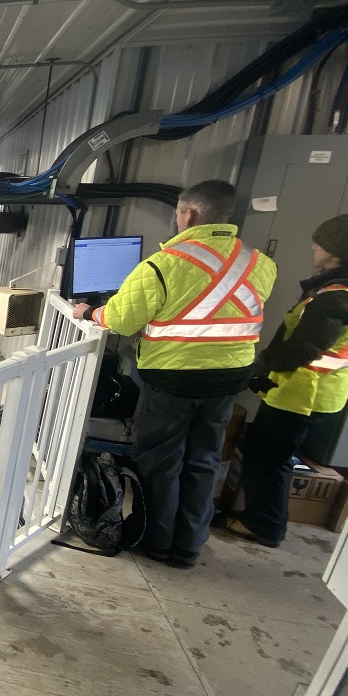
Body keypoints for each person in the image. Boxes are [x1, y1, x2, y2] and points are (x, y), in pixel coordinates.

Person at [73, 180, 276, 568]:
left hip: (173, 377)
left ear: (189, 214)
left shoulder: (164, 264)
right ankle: (188, 546)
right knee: (204, 459)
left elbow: (120, 319)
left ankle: (155, 540)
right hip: (229, 376)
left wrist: (89, 313)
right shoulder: (259, 262)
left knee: (160, 460)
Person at [223, 213, 348, 548]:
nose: (313, 246)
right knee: (271, 457)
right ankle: (264, 520)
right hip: (312, 393)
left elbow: (300, 351)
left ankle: (264, 525)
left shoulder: (340, 296)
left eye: (320, 242)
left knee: (268, 460)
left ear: (339, 251)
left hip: (302, 396)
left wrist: (257, 367)